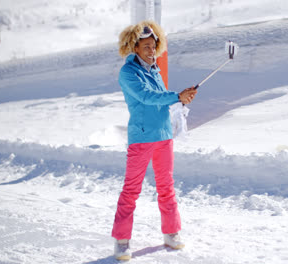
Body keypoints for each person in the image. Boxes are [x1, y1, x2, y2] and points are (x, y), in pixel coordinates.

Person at [111, 20, 197, 261]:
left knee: (166, 187)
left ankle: (171, 233)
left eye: (153, 46)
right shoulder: (128, 72)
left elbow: (162, 99)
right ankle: (122, 240)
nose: (151, 51)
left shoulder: (155, 69)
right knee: (131, 190)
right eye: (146, 46)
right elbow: (147, 97)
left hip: (163, 135)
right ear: (135, 47)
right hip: (141, 137)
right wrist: (175, 96)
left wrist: (181, 98)